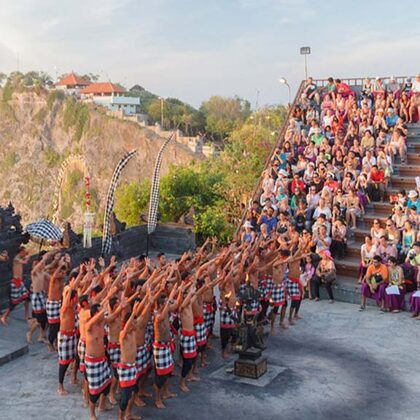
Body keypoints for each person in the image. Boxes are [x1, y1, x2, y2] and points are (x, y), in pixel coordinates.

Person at [117, 303, 141, 420]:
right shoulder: (123, 334)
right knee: (125, 396)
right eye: (134, 322)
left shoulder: (133, 333)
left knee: (134, 392)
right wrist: (134, 312)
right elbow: (126, 327)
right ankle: (120, 417)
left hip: (133, 367)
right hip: (125, 368)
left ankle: (129, 414)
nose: (136, 324)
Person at [1, 246, 30, 326]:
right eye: (24, 252)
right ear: (20, 252)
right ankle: (4, 317)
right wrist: (27, 257)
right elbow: (25, 262)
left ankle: (26, 315)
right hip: (15, 283)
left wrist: (26, 256)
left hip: (20, 282)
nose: (25, 253)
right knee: (13, 303)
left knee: (27, 298)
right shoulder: (16, 259)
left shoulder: (19, 258)